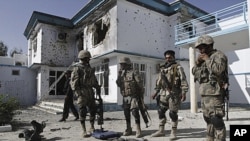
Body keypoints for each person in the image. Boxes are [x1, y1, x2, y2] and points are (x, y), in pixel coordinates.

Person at [192, 34, 228, 141]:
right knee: (208, 119)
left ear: (209, 45)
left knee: (216, 120)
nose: (200, 50)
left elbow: (218, 70)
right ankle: (210, 138)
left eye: (202, 47)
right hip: (205, 93)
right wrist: (197, 63)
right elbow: (195, 73)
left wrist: (207, 60)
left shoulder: (219, 55)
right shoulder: (202, 58)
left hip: (215, 93)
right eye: (198, 48)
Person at [151, 50, 189, 140]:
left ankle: (173, 132)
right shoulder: (163, 68)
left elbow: (183, 81)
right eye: (167, 58)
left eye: (170, 57)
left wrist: (184, 92)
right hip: (163, 94)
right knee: (161, 111)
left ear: (173, 57)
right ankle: (161, 130)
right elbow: (159, 82)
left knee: (173, 113)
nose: (168, 59)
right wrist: (156, 92)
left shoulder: (178, 67)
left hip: (174, 94)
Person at [70, 50, 101, 138]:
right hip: (82, 92)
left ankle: (92, 127)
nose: (89, 60)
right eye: (88, 58)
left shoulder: (89, 68)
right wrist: (78, 93)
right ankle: (83, 130)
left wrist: (97, 87)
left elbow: (94, 79)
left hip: (90, 91)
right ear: (84, 58)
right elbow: (73, 83)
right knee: (82, 111)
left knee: (93, 110)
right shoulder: (77, 68)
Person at [116, 57, 145, 138]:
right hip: (125, 97)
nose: (121, 66)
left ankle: (138, 129)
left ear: (127, 64)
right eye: (120, 64)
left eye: (123, 64)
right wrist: (119, 75)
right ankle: (128, 128)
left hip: (134, 96)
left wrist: (141, 96)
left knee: (135, 112)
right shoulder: (121, 74)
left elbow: (140, 84)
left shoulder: (134, 72)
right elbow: (118, 84)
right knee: (126, 113)